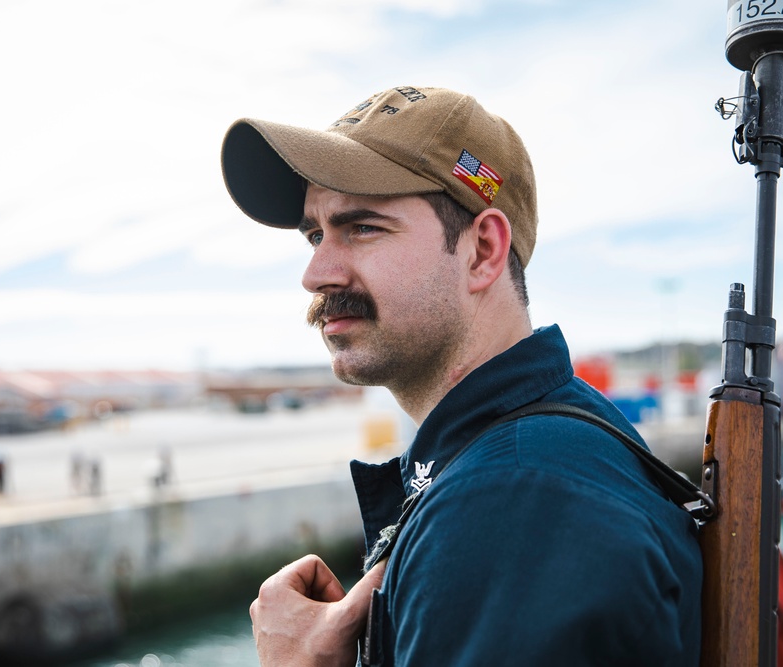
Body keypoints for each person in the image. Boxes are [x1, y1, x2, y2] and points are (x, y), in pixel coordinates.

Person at [221, 86, 702, 666]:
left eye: (363, 228)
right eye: (316, 234)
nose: (316, 272)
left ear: (482, 251)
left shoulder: (510, 505)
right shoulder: (551, 443)